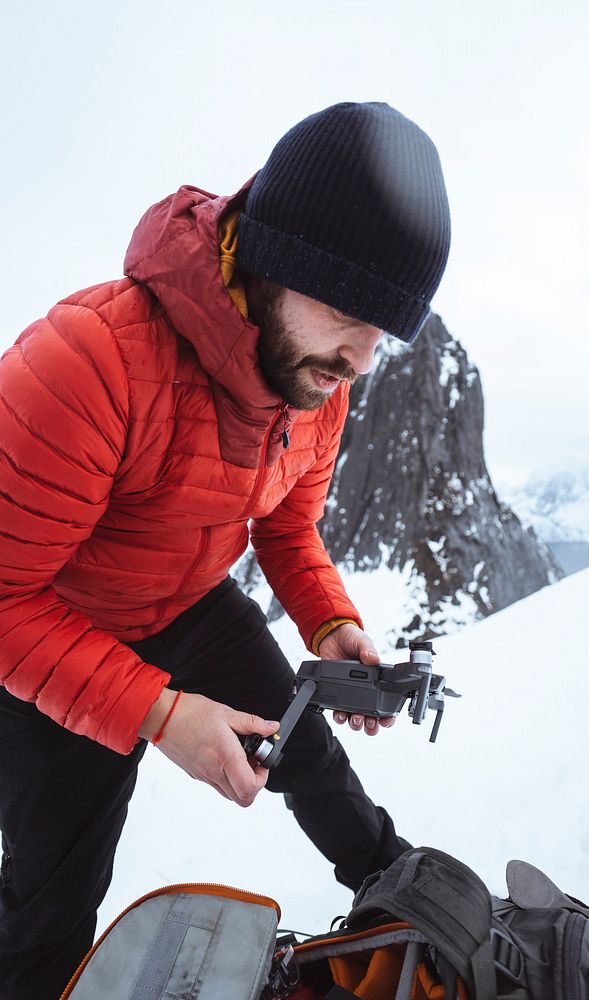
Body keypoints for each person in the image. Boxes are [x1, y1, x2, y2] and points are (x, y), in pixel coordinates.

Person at [0, 101, 450, 999]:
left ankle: (408, 910)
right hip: (58, 633)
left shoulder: (315, 381)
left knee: (311, 754)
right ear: (272, 256)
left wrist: (329, 624)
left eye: (383, 332)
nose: (359, 359)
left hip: (191, 604)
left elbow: (286, 527)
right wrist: (160, 715)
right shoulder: (87, 360)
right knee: (51, 904)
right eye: (345, 312)